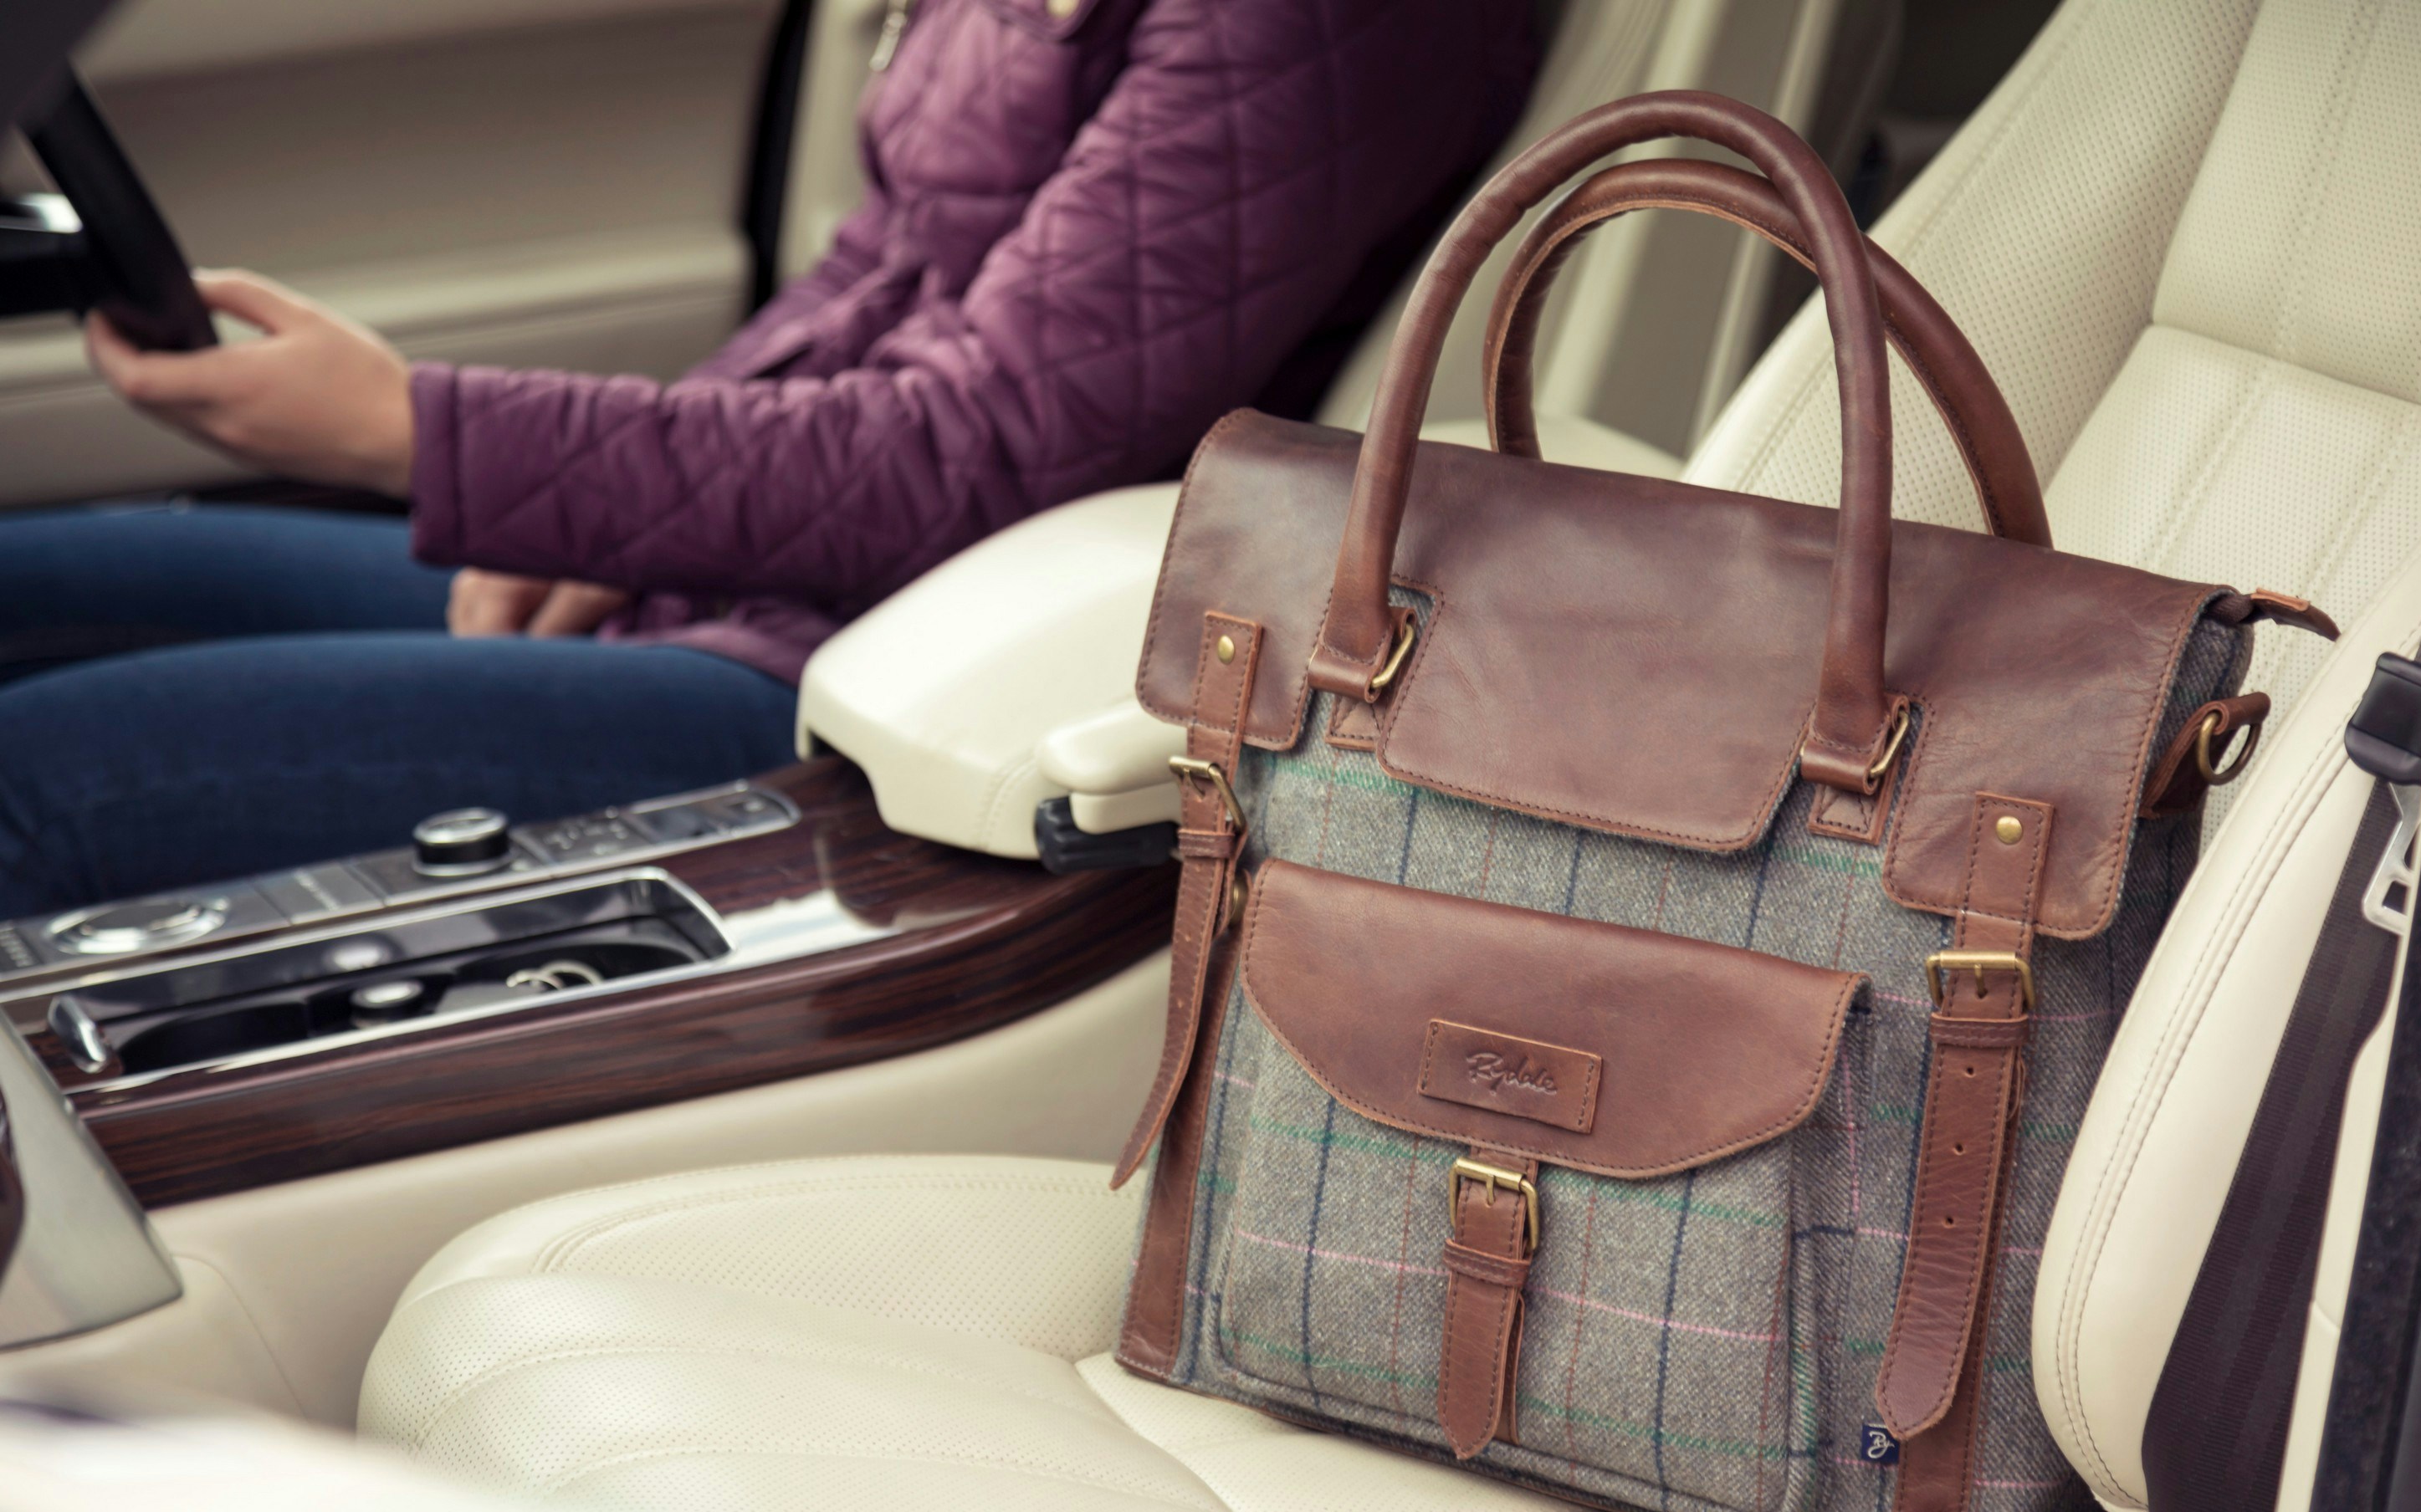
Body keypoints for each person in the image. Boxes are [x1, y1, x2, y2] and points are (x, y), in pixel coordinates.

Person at [0, 0, 1538, 919]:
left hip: (889, 666)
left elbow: (980, 450)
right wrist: (608, 516)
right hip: (760, 573)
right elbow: (871, 280)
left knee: (33, 784)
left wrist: (414, 431)